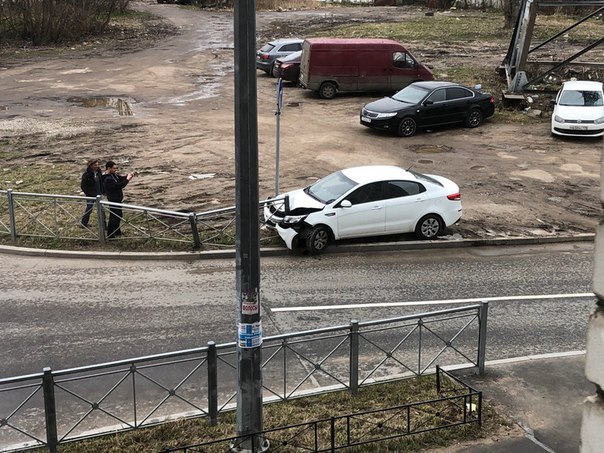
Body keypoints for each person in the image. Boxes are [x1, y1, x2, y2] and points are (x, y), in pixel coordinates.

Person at [103, 161, 136, 239]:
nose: (115, 170)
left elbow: (120, 179)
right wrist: (127, 180)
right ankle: (111, 235)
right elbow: (119, 185)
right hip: (113, 200)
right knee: (113, 217)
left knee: (118, 216)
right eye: (114, 168)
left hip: (118, 199)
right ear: (109, 168)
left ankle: (117, 231)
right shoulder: (108, 179)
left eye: (116, 168)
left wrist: (128, 176)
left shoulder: (113, 175)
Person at [80, 159, 104, 228]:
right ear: (91, 166)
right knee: (89, 209)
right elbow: (83, 186)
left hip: (99, 194)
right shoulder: (86, 175)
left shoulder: (99, 173)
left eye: (97, 165)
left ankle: (103, 225)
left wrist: (103, 191)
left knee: (102, 210)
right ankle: (84, 223)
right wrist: (88, 193)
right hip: (91, 195)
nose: (97, 166)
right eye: (95, 165)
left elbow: (101, 182)